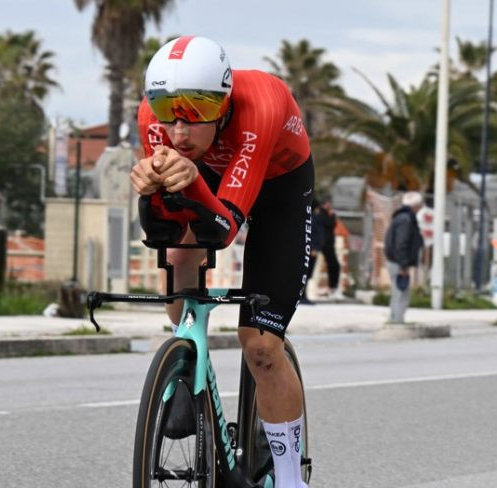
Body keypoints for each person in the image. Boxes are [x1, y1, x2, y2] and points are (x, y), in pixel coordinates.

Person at [131, 36, 311, 488]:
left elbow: (225, 228)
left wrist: (189, 183)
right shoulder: (153, 120)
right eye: (166, 108)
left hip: (278, 186)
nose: (178, 130)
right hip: (208, 174)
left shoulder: (260, 105)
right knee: (177, 252)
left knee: (261, 347)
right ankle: (185, 357)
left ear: (224, 101)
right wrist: (150, 194)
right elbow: (168, 227)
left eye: (195, 110)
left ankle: (290, 481)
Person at [383, 191, 424, 324]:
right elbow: (401, 244)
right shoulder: (406, 220)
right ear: (416, 206)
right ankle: (397, 320)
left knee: (398, 292)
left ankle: (394, 318)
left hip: (396, 261)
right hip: (398, 263)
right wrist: (403, 265)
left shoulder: (401, 218)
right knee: (401, 293)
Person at [318, 195, 345, 300]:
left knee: (334, 266)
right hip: (325, 244)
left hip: (328, 243)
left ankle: (332, 288)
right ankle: (332, 288)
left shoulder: (325, 214)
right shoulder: (321, 214)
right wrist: (333, 216)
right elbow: (330, 224)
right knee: (334, 265)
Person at [300, 198, 323, 305]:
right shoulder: (312, 218)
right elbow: (311, 234)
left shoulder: (314, 218)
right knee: (305, 275)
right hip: (310, 251)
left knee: (308, 276)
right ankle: (302, 296)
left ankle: (304, 296)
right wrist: (313, 248)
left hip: (312, 250)